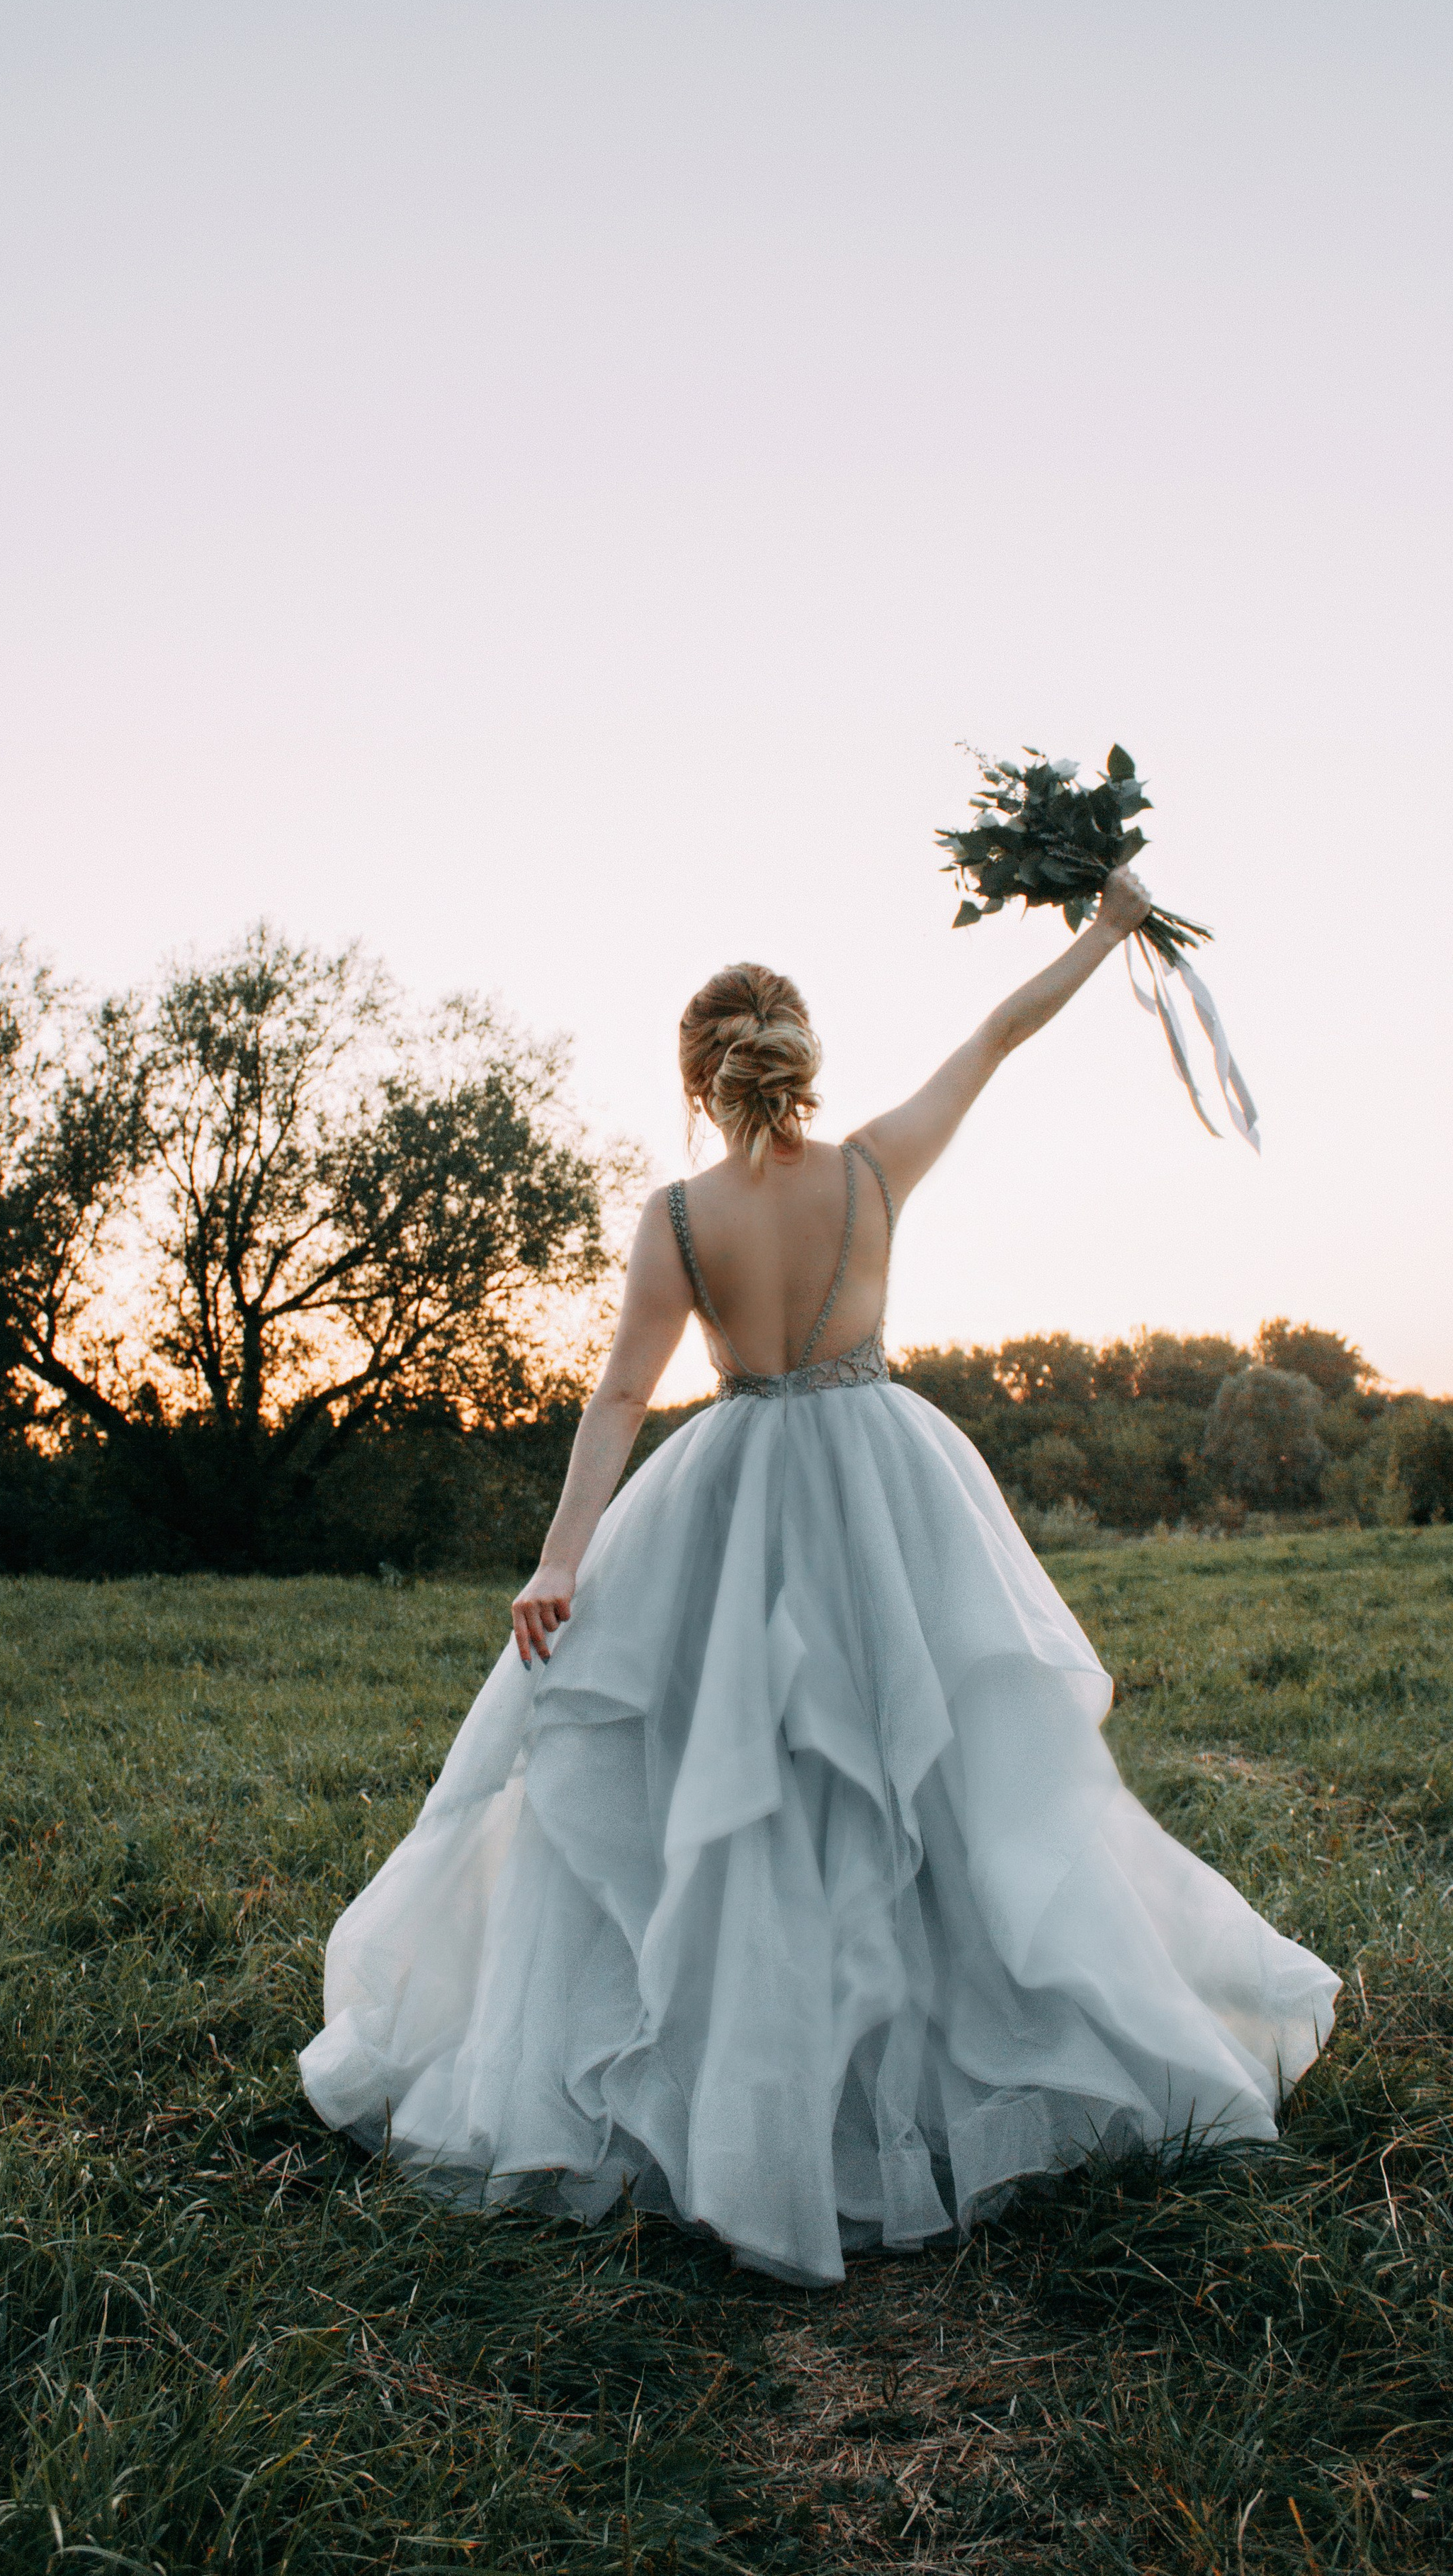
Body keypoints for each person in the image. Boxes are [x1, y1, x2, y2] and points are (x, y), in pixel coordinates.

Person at [298, 870, 1338, 2286]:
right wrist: (1105, 930)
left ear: (693, 1079)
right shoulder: (868, 1169)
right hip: (881, 1487)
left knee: (735, 1797)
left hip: (727, 1494)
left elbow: (615, 1400)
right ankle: (901, 2095)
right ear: (799, 1058)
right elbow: (994, 1034)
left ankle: (750, 2107)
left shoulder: (673, 1218)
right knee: (919, 1791)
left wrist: (558, 1564)